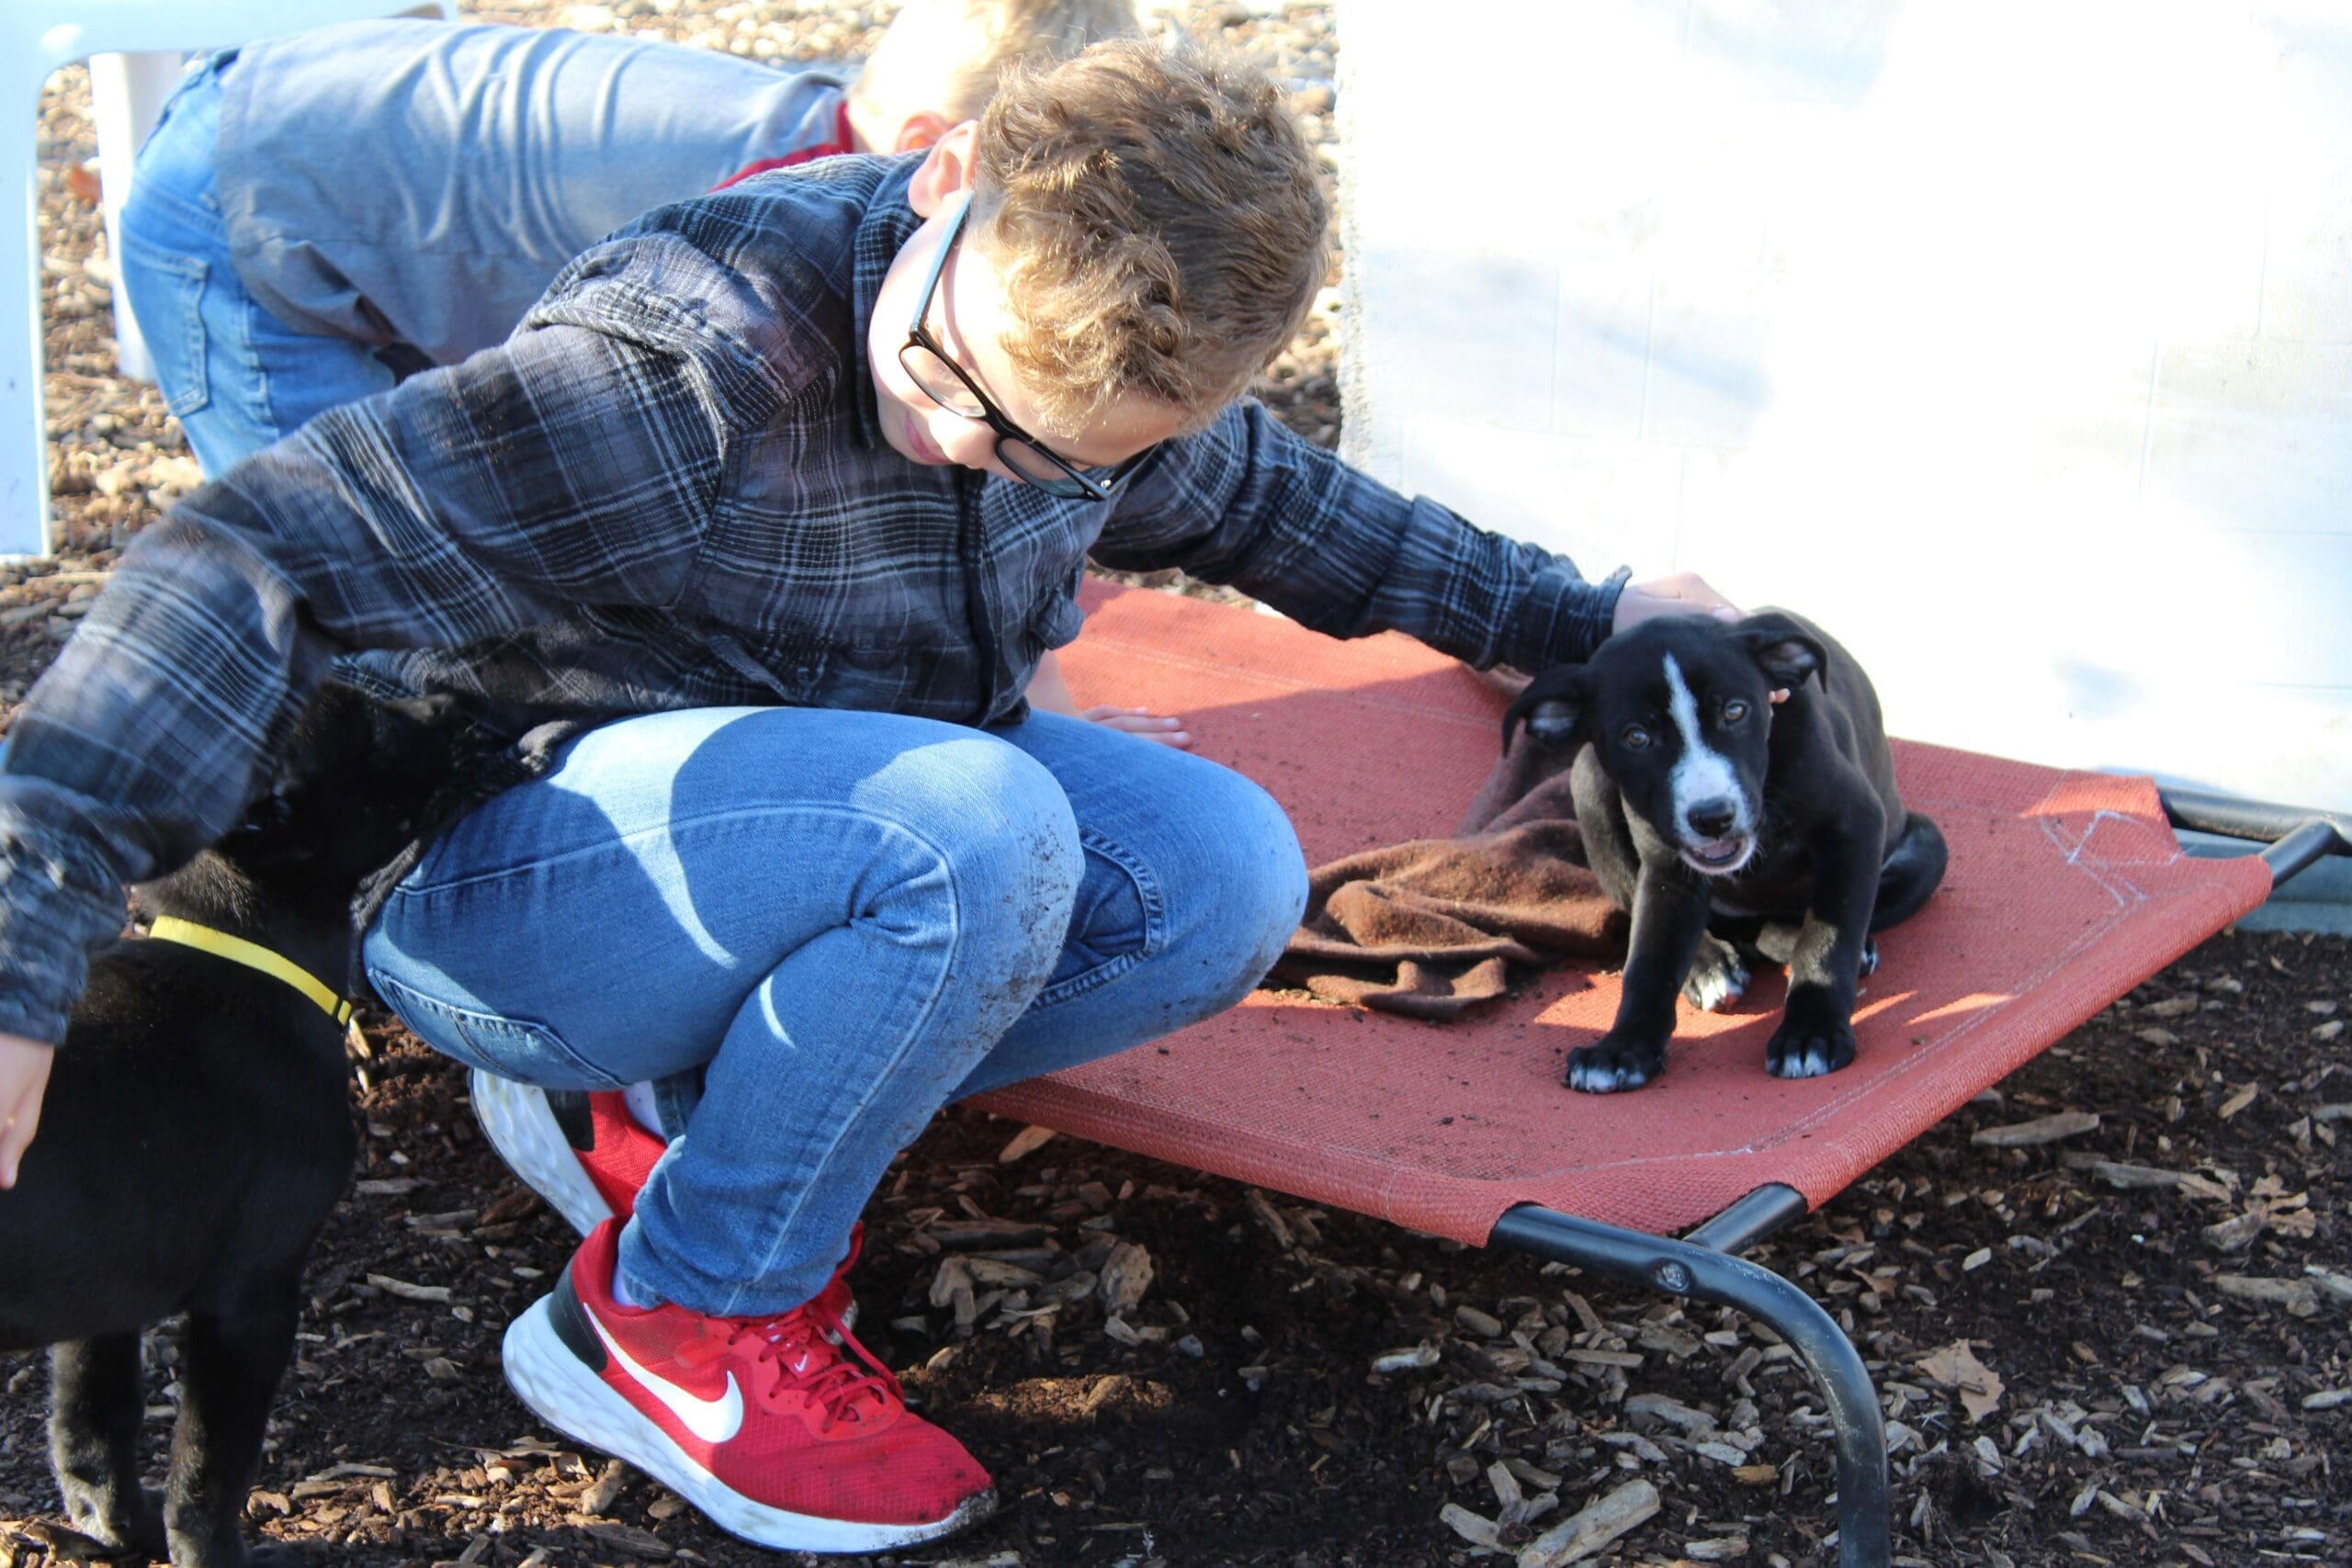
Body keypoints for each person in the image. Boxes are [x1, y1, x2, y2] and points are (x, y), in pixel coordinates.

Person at [0, 38, 1736, 1554]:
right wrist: (23, 966)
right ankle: (678, 1316)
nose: (990, 450)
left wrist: (1601, 621)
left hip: (786, 826)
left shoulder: (1088, 374)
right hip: (496, 877)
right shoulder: (686, 374)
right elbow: (244, 561)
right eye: (953, 384)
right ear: (945, 175)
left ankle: (704, 1117)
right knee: (970, 827)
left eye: (1072, 454)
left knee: (1218, 871)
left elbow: (1325, 526)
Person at [112, 0, 1178, 747]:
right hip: (241, 204)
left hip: (373, 176)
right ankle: (364, 914)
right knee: (361, 586)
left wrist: (1037, 688)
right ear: (935, 159)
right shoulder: (747, 246)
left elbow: (977, 495)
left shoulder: (865, 195)